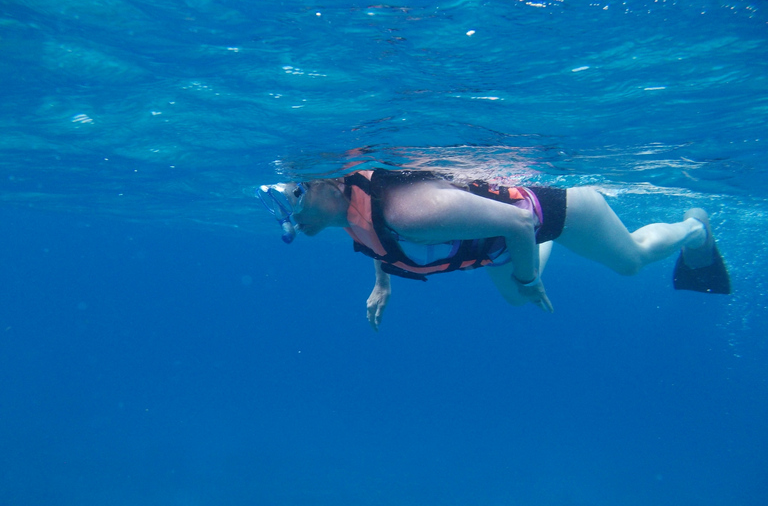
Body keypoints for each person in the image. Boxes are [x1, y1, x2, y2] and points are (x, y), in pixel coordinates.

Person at [258, 169, 730, 331]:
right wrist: (382, 283)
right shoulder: (346, 213)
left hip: (557, 209)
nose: (290, 213)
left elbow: (520, 221)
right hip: (506, 239)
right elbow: (373, 235)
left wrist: (531, 276)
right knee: (513, 298)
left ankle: (694, 229)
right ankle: (530, 266)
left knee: (631, 262)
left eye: (296, 195)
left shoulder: (408, 212)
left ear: (330, 185)